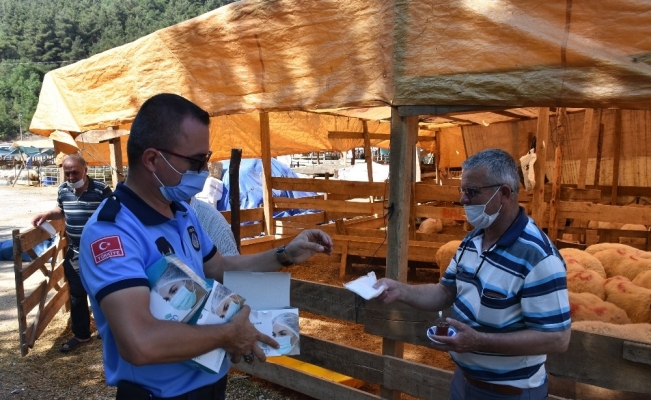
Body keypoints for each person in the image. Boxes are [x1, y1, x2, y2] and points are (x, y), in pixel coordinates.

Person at [79, 93, 333, 400]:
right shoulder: (112, 233)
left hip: (210, 383)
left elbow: (219, 268)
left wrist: (284, 255)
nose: (203, 171)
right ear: (152, 160)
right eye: (196, 161)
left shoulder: (182, 213)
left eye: (206, 159)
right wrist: (228, 334)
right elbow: (140, 343)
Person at [375, 148, 571, 400]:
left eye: (472, 191)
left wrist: (479, 341)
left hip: (509, 393)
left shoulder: (538, 257)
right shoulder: (473, 240)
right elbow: (444, 291)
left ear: (504, 194)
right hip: (465, 382)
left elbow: (557, 338)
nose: (463, 199)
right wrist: (400, 290)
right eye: (462, 190)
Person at [31, 153, 112, 352]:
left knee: (104, 290)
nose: (71, 177)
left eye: (75, 172)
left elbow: (113, 215)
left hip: (99, 253)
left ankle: (107, 329)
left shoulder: (101, 190)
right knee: (77, 294)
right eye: (67, 173)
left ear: (86, 170)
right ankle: (82, 334)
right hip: (75, 252)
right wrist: (46, 214)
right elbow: (62, 210)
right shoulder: (63, 190)